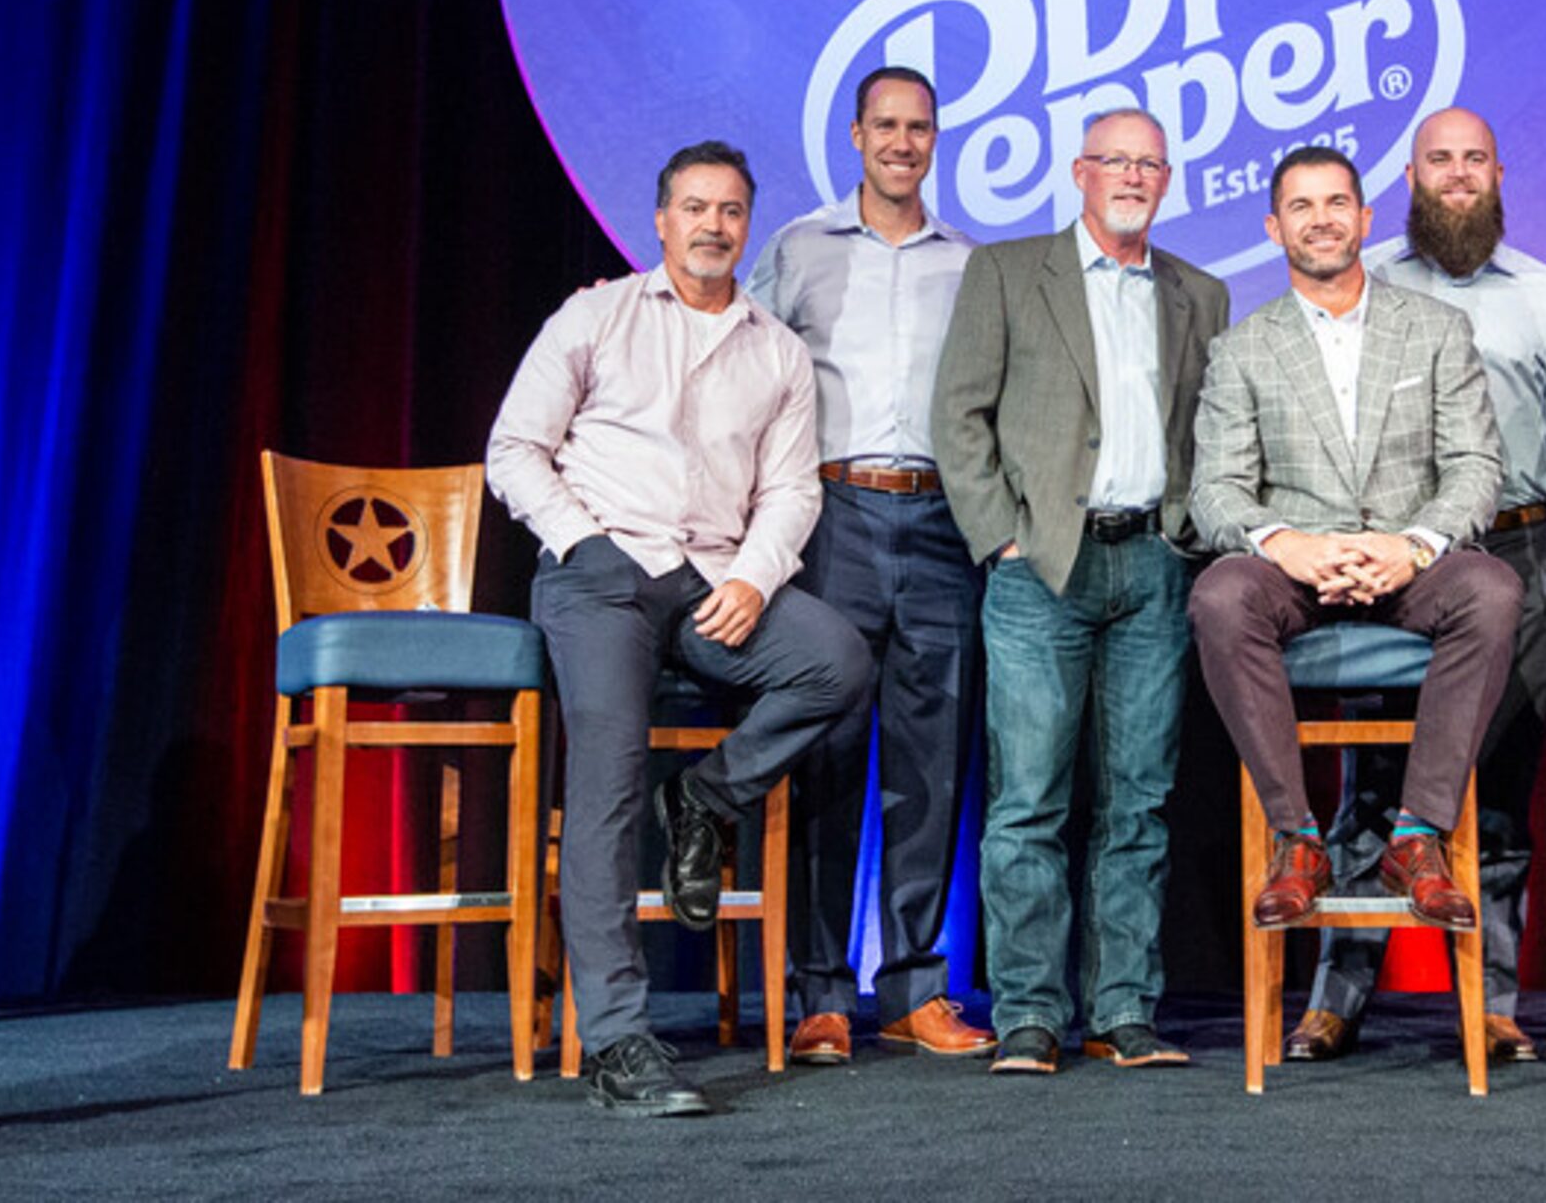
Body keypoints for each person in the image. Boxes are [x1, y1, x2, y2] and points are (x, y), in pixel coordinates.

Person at [487, 140, 873, 1117]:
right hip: (601, 575)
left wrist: (753, 576)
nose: (712, 225)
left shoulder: (775, 350)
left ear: (749, 227)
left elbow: (790, 490)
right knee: (607, 779)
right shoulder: (595, 315)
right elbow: (514, 449)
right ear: (660, 221)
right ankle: (617, 1041)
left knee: (835, 660)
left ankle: (706, 797)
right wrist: (582, 543)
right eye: (694, 208)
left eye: (730, 211)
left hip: (710, 579)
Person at [1284, 109, 1546, 1066]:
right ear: (1410, 178)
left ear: (1498, 173)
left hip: (1521, 548)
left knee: (1500, 794)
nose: (1456, 176)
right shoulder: (1364, 283)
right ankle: (1335, 1000)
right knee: (1372, 789)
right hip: (1394, 566)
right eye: (1437, 161)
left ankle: (1492, 1004)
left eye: (1472, 160)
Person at [929, 107, 1231, 1075]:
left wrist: (1187, 538)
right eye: (1115, 161)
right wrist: (999, 541)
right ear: (1079, 171)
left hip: (1153, 564)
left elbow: (1210, 432)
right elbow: (958, 415)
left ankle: (1121, 1010)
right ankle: (1025, 1013)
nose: (1132, 176)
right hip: (1040, 569)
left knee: (1137, 805)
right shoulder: (1009, 272)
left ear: (1167, 178)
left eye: (1149, 163)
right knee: (1028, 803)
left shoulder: (1200, 291)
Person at [1187, 144, 1518, 947]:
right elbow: (1214, 493)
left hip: (1407, 562)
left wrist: (1413, 544)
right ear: (1274, 227)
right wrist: (1288, 544)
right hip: (1297, 571)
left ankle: (1417, 836)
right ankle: (1295, 839)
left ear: (1366, 218)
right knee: (1219, 594)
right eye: (1301, 207)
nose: (1321, 220)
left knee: (1494, 590)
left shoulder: (1437, 329)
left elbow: (1476, 466)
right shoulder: (1244, 348)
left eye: (1336, 203)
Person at [745, 67, 992, 1063]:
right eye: (884, 126)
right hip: (830, 516)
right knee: (827, 757)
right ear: (855, 135)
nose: (902, 142)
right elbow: (733, 351)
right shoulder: (797, 249)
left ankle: (915, 989)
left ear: (935, 140)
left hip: (940, 522)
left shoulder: (974, 265)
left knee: (932, 769)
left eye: (918, 127)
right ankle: (819, 994)